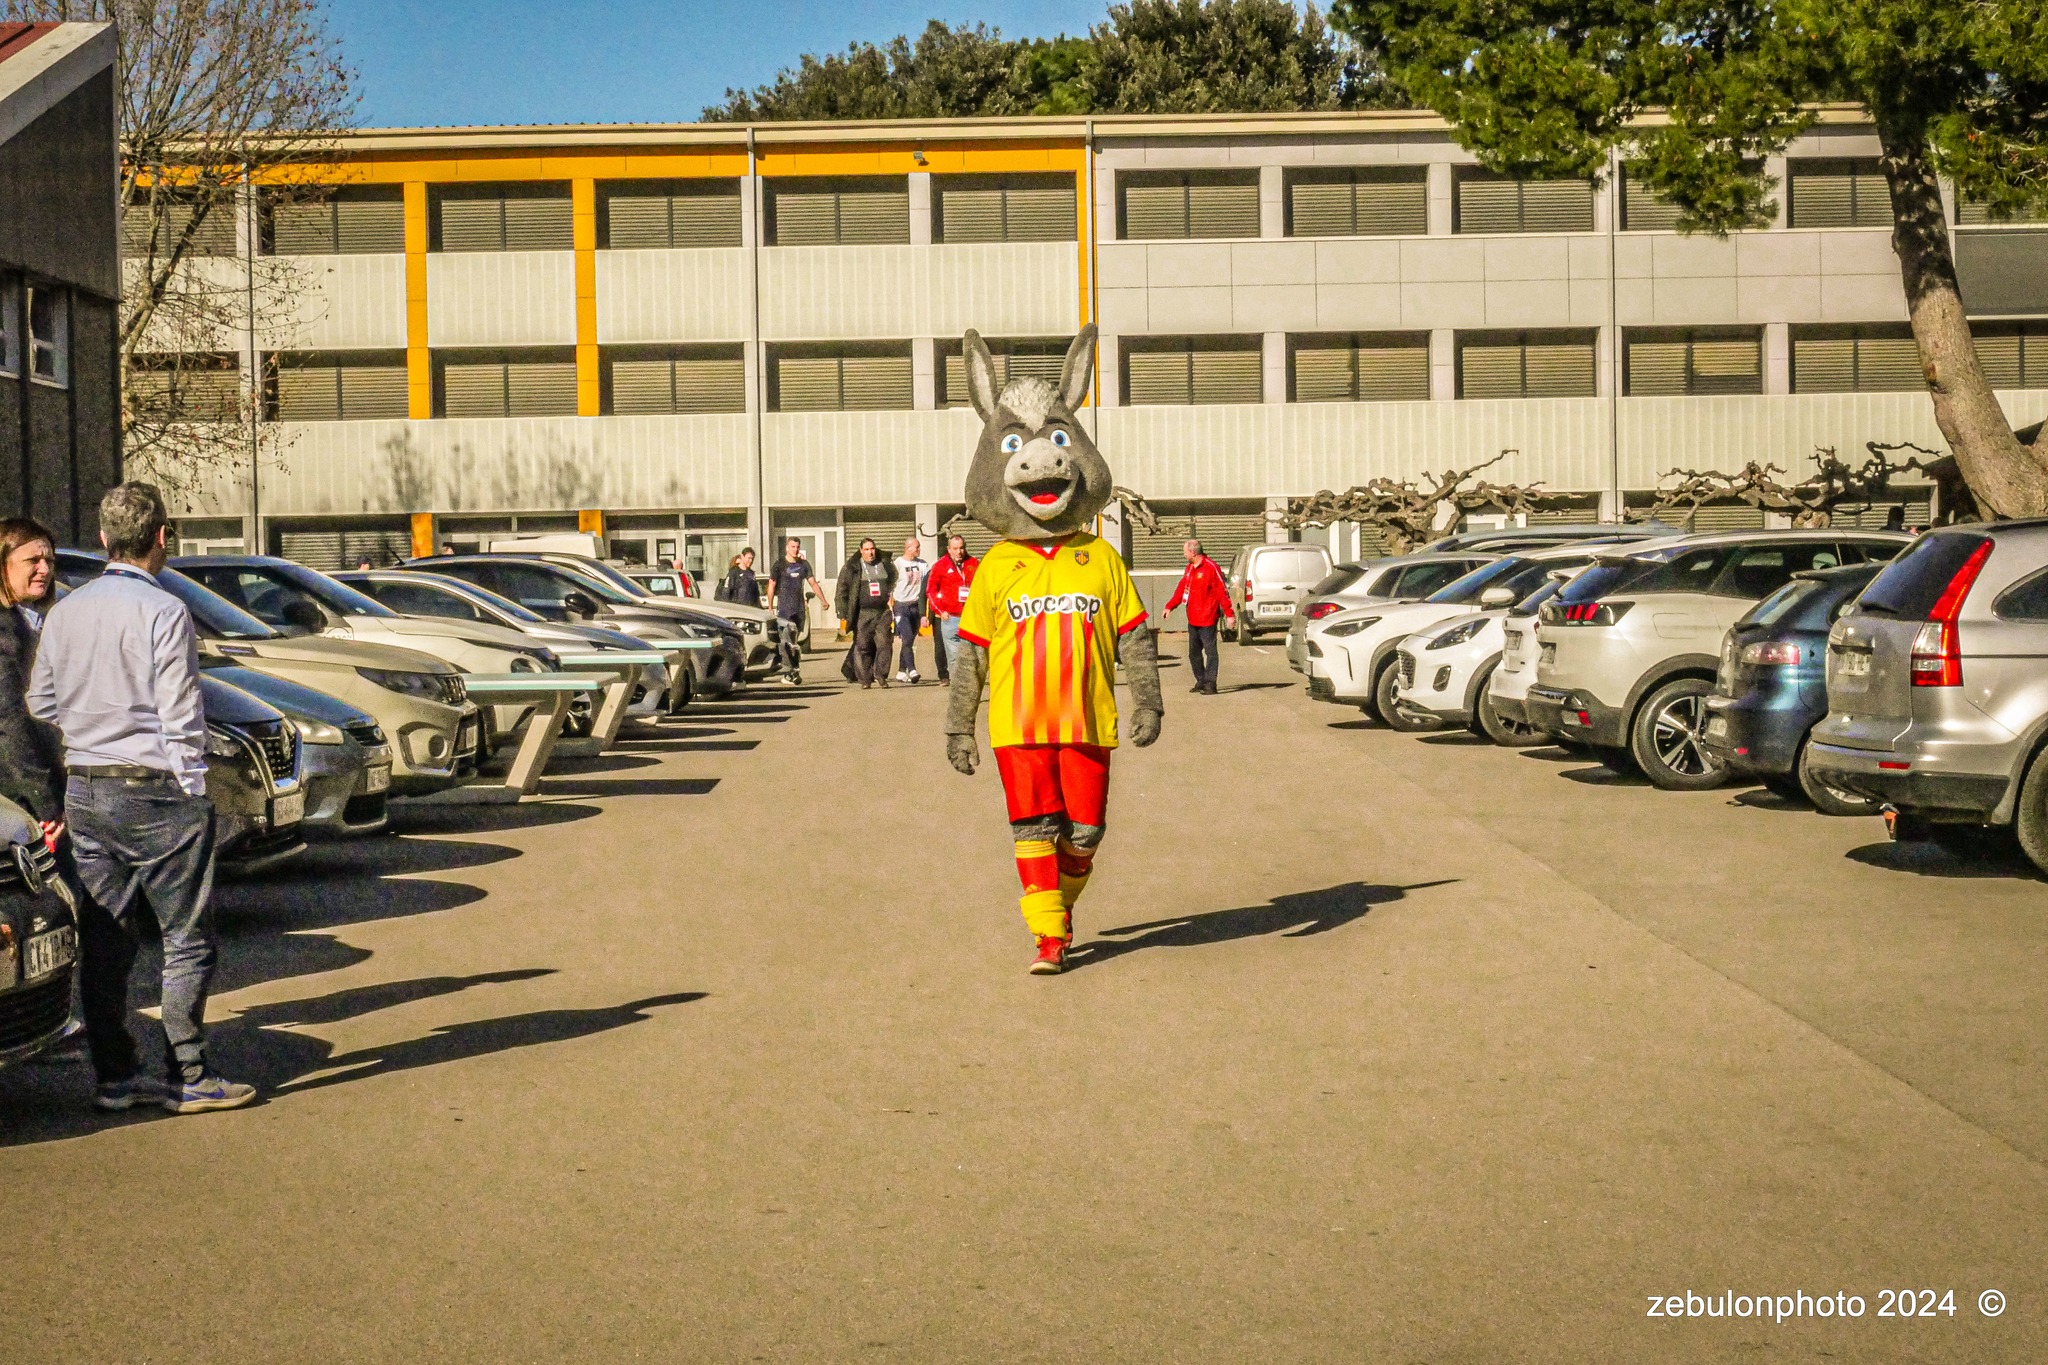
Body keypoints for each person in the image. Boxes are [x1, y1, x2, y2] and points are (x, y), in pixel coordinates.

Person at [28, 482, 255, 1115]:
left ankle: (115, 1074)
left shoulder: (65, 611)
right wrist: (192, 787)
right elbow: (182, 712)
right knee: (186, 937)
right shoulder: (163, 612)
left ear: (102, 539)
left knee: (106, 934)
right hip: (154, 789)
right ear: (162, 539)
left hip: (86, 788)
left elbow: (40, 702)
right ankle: (188, 1071)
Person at [0, 518, 64, 841]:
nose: (44, 569)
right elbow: (10, 722)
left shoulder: (30, 619)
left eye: (50, 560)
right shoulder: (3, 631)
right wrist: (44, 802)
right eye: (33, 560)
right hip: (18, 800)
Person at [1165, 538, 1235, 695]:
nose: (1184, 554)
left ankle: (1211, 683)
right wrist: (1170, 606)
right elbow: (1182, 589)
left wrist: (1229, 614)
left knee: (1210, 652)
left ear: (1193, 552)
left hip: (1208, 618)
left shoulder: (1211, 567)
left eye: (1185, 551)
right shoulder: (1189, 568)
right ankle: (1201, 680)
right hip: (1193, 619)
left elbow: (1222, 592)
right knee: (1193, 653)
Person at [835, 537, 897, 688]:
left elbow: (894, 579)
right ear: (861, 551)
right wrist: (842, 611)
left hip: (882, 611)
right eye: (867, 550)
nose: (871, 553)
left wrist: (891, 595)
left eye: (872, 549)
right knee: (862, 646)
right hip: (863, 613)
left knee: (885, 644)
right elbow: (842, 590)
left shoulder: (885, 564)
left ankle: (881, 675)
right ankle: (864, 679)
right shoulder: (852, 567)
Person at [770, 538, 828, 685]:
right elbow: (771, 585)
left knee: (794, 643)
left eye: (797, 547)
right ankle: (790, 673)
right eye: (792, 546)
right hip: (784, 610)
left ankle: (793, 671)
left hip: (799, 609)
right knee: (787, 641)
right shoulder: (779, 565)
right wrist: (771, 606)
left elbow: (813, 583)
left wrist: (823, 600)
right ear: (786, 548)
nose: (795, 549)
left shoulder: (803, 565)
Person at [925, 533, 978, 686]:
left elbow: (982, 587)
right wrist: (940, 611)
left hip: (970, 616)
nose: (959, 552)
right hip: (951, 617)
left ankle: (971, 683)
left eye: (961, 548)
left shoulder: (973, 563)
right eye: (955, 548)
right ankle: (958, 686)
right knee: (954, 655)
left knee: (971, 654)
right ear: (949, 549)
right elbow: (930, 590)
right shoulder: (940, 566)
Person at [890, 536, 930, 683]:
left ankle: (901, 671)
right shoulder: (898, 564)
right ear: (908, 548)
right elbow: (890, 584)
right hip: (901, 606)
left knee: (910, 640)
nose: (919, 549)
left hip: (915, 606)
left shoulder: (922, 564)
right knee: (906, 638)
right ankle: (912, 670)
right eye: (917, 547)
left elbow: (928, 582)